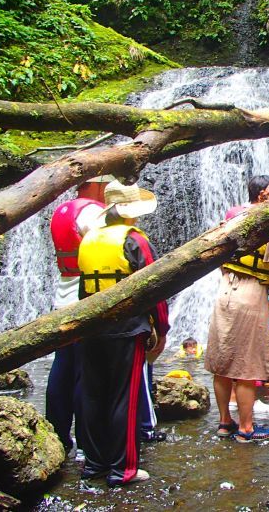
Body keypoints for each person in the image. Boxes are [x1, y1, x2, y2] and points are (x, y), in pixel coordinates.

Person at [76, 180, 169, 486]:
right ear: (130, 212)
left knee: (92, 394)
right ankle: (123, 469)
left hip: (90, 326)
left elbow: (84, 288)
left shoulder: (88, 239)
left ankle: (94, 463)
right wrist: (161, 327)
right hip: (127, 328)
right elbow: (155, 286)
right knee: (123, 399)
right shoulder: (134, 239)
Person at [207, 181, 269, 443]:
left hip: (225, 290)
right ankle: (246, 428)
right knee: (246, 365)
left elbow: (217, 255)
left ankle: (224, 422)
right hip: (252, 293)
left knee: (222, 364)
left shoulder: (237, 219)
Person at [46, 175, 110, 454]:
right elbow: (105, 249)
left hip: (63, 294)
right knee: (88, 372)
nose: (108, 192)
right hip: (84, 296)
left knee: (63, 366)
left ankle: (58, 434)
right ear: (96, 184)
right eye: (106, 186)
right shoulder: (93, 211)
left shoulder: (63, 210)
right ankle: (89, 440)